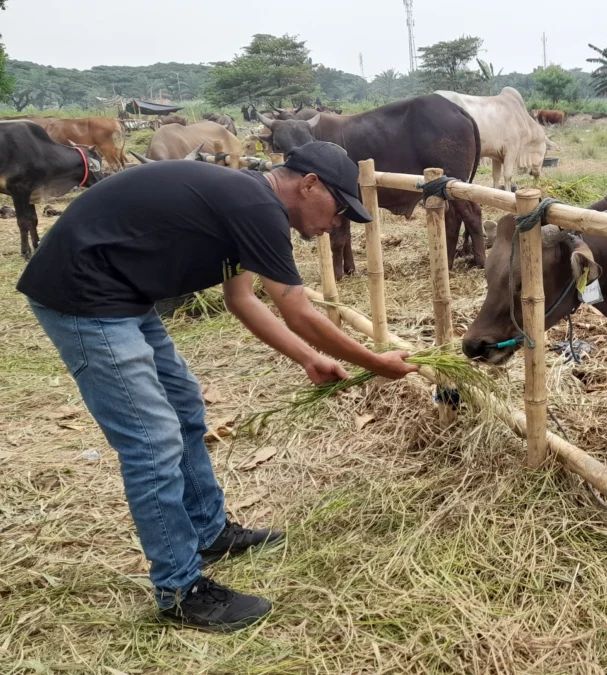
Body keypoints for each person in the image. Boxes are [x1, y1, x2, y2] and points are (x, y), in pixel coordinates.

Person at [16, 142, 418, 632]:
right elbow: (299, 311)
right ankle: (179, 589)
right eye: (339, 209)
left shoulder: (247, 205)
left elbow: (241, 299)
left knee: (184, 407)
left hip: (123, 294)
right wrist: (375, 363)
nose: (338, 223)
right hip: (85, 297)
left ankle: (208, 530)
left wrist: (310, 358)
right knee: (152, 440)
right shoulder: (257, 206)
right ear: (309, 184)